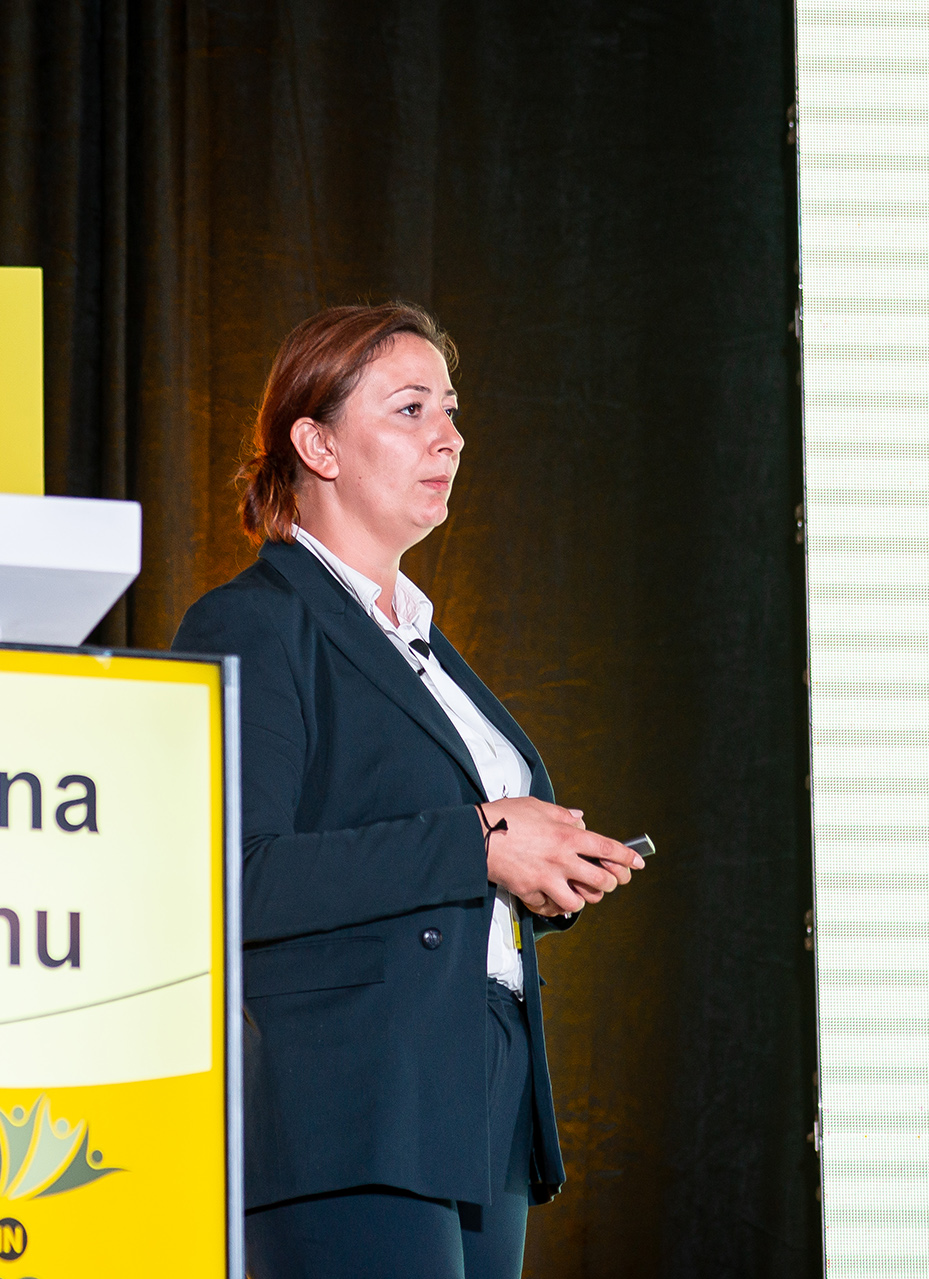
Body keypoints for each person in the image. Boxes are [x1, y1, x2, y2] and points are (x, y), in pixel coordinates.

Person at [172, 300, 644, 1278]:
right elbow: (231, 879)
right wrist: (479, 841)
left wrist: (546, 870)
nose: (450, 437)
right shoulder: (257, 622)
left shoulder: (422, 646)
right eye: (411, 408)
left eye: (451, 411)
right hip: (349, 1096)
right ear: (317, 444)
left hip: (481, 1086)